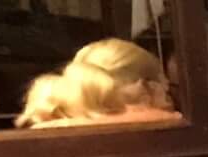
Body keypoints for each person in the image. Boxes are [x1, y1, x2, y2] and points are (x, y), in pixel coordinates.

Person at [14, 38, 178, 127]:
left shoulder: (43, 135)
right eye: (164, 84)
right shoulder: (168, 131)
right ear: (144, 87)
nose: (168, 93)